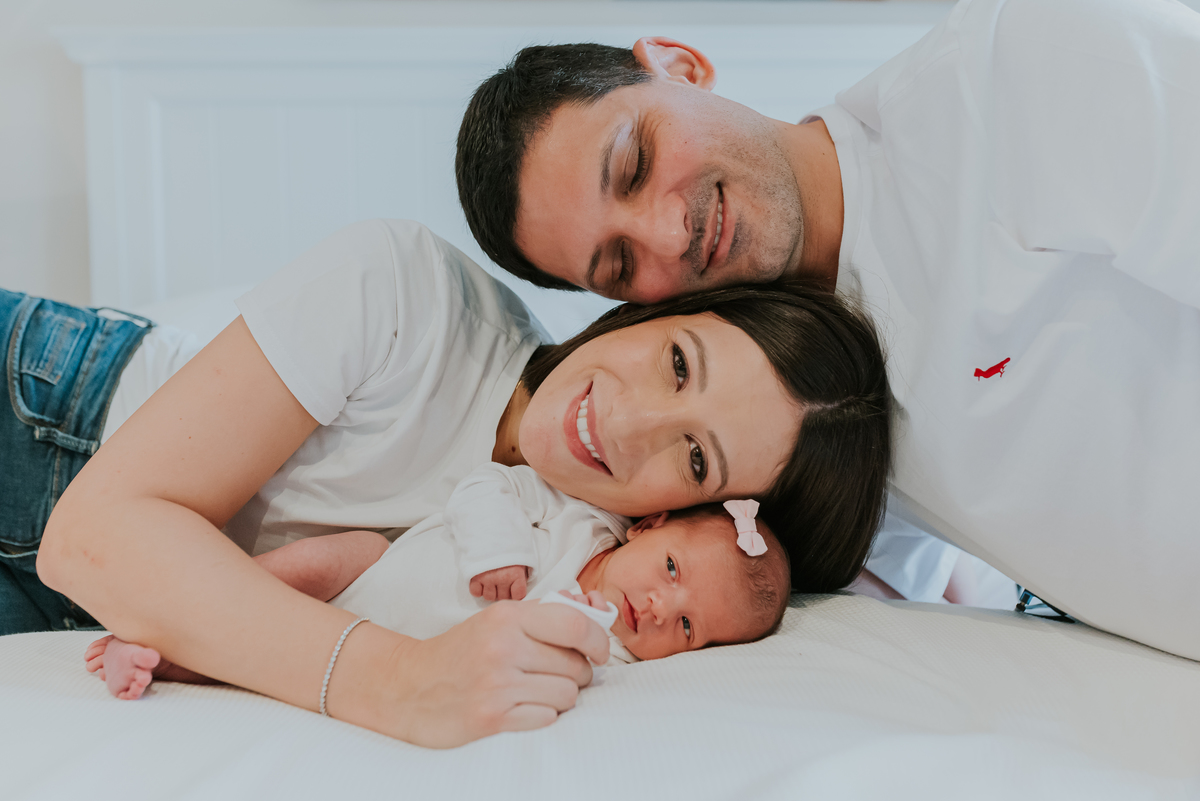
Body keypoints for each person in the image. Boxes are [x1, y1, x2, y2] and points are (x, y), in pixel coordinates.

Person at [454, 0, 1200, 658]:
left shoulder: (1007, 71)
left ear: (678, 66)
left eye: (638, 161)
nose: (669, 230)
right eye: (619, 263)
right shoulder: (777, 427)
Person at [16, 218, 891, 746]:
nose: (624, 421)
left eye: (696, 457)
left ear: (678, 513)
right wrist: (396, 683)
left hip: (91, 607)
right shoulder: (404, 292)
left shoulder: (589, 566)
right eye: (674, 361)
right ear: (662, 308)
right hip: (51, 422)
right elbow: (93, 535)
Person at [86, 462, 790, 700]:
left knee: (263, 661)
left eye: (690, 627)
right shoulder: (578, 515)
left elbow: (563, 670)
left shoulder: (617, 653)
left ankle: (166, 660)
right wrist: (499, 547)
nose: (663, 607)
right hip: (375, 572)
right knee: (324, 559)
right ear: (648, 523)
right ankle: (168, 614)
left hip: (368, 646)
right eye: (672, 569)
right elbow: (485, 483)